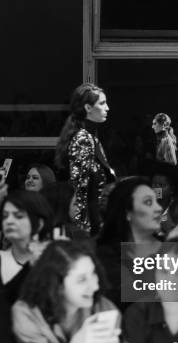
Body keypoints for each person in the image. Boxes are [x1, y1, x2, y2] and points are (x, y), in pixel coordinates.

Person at [13, 241, 120, 343]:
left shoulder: (104, 310)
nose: (95, 285)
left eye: (93, 274)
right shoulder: (26, 313)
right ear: (57, 286)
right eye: (82, 279)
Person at [95, 177, 178, 307]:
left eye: (156, 201)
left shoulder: (168, 245)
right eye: (148, 202)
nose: (158, 208)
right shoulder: (105, 253)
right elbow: (122, 297)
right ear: (127, 213)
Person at [0, 186, 53, 304]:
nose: (9, 221)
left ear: (39, 224)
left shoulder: (51, 264)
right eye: (5, 216)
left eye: (18, 216)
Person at [55, 83, 116, 234]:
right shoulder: (83, 138)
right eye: (102, 103)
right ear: (88, 108)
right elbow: (79, 191)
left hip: (96, 224)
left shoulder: (90, 137)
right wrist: (83, 234)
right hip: (88, 230)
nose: (107, 108)